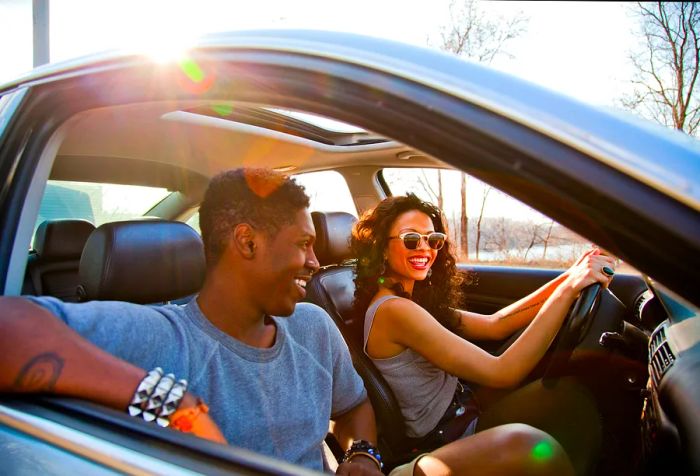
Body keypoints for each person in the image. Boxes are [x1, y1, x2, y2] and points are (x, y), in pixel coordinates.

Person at [0, 168, 383, 475]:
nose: (315, 262)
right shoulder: (162, 337)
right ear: (247, 242)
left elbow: (355, 406)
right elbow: (9, 324)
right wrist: (174, 402)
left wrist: (363, 454)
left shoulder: (313, 326)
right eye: (303, 244)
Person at [351, 194, 618, 476]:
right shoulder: (395, 310)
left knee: (572, 398)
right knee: (531, 443)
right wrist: (567, 292)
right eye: (411, 239)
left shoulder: (414, 301)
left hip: (464, 413)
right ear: (381, 248)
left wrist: (572, 275)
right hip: (442, 440)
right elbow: (504, 372)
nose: (425, 249)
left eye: (433, 239)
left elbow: (497, 323)